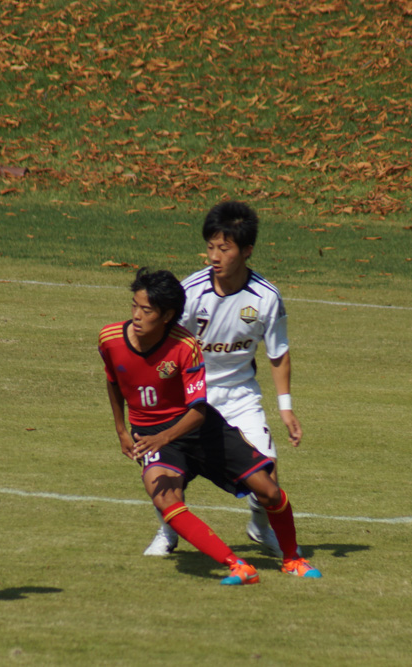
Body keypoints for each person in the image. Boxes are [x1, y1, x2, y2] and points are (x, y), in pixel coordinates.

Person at [99, 268, 321, 584]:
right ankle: (236, 565)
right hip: (153, 437)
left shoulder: (185, 346)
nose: (136, 315)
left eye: (146, 310)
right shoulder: (110, 338)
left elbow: (199, 412)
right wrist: (122, 430)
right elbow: (113, 380)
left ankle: (292, 559)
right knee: (165, 498)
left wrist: (162, 437)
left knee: (270, 491)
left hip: (199, 431)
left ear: (167, 316)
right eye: (134, 305)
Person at [143, 201, 304, 557]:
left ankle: (260, 529)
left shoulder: (267, 298)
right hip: (189, 395)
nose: (214, 256)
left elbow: (277, 354)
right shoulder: (190, 291)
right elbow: (164, 345)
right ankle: (168, 534)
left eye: (224, 248)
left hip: (239, 396)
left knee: (268, 476)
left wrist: (286, 409)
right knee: (168, 474)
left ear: (247, 251)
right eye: (210, 246)